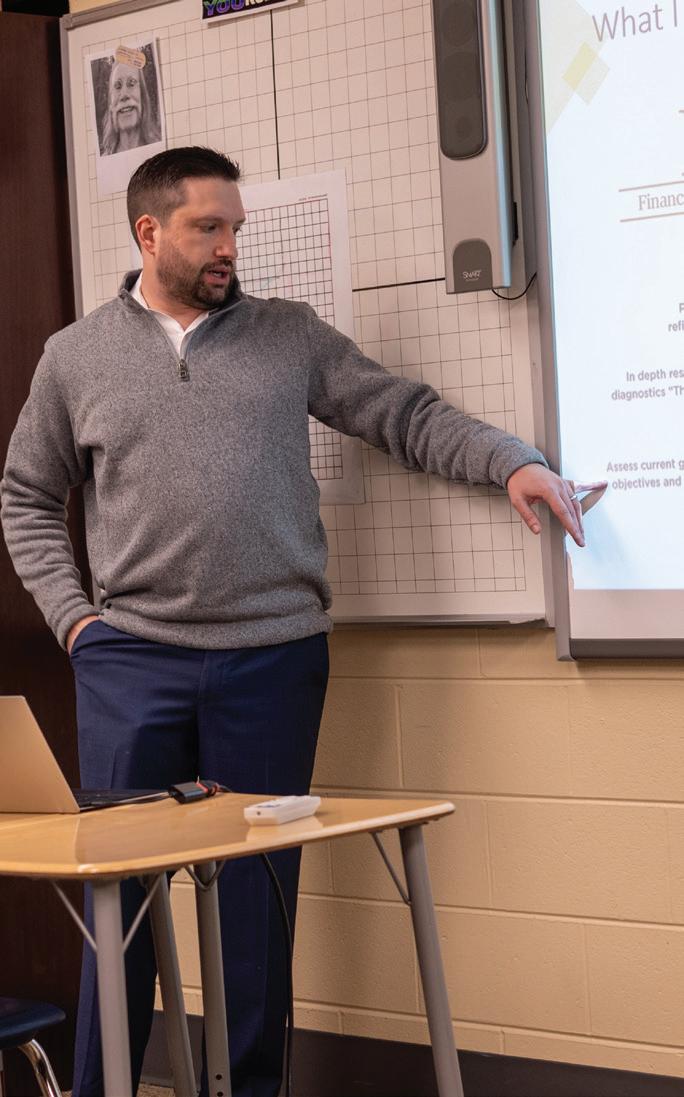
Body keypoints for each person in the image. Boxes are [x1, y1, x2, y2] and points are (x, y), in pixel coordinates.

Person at [0, 146, 584, 1097]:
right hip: (130, 663)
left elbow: (402, 413)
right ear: (149, 232)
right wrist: (77, 625)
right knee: (119, 911)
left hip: (272, 660)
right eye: (208, 228)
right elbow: (26, 497)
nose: (229, 245)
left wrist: (510, 461)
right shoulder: (76, 357)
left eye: (235, 227)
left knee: (257, 917)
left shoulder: (287, 335)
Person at [100, 57, 161, 156]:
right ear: (111, 105)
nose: (124, 95)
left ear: (143, 97)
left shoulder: (159, 150)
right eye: (117, 86)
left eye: (131, 83)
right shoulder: (105, 158)